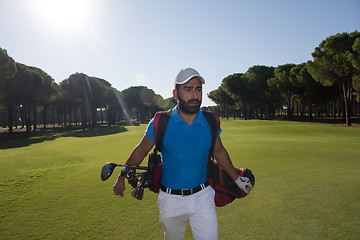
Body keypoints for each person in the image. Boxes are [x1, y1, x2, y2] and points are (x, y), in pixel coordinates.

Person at [113, 68, 252, 240]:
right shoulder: (160, 122)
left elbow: (219, 151)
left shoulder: (210, 121)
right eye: (188, 89)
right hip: (170, 200)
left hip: (203, 196)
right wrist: (121, 176)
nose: (195, 95)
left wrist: (237, 179)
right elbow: (141, 150)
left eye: (198, 89)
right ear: (176, 94)